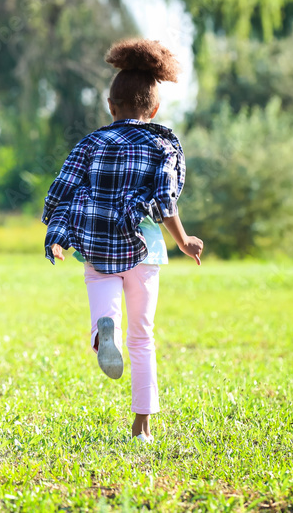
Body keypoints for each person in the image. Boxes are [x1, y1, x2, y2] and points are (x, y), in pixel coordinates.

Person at [42, 39, 203, 443]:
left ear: (111, 107)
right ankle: (142, 425)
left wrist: (58, 238)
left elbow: (63, 192)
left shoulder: (90, 144)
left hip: (96, 245)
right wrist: (183, 239)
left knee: (104, 305)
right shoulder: (162, 143)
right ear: (154, 109)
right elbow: (165, 198)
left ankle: (102, 330)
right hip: (145, 248)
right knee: (143, 336)